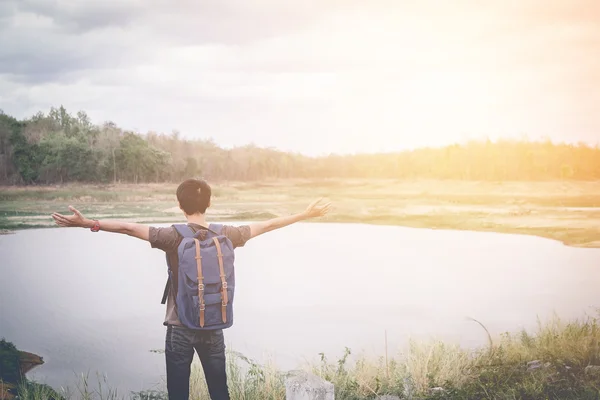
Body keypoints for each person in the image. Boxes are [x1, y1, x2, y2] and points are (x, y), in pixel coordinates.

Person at [51, 178, 331, 400]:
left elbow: (128, 228)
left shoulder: (172, 236)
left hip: (179, 327)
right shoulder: (227, 234)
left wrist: (89, 223)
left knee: (178, 394)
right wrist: (305, 213)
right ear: (208, 203)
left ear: (179, 204)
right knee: (220, 393)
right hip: (214, 326)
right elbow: (268, 224)